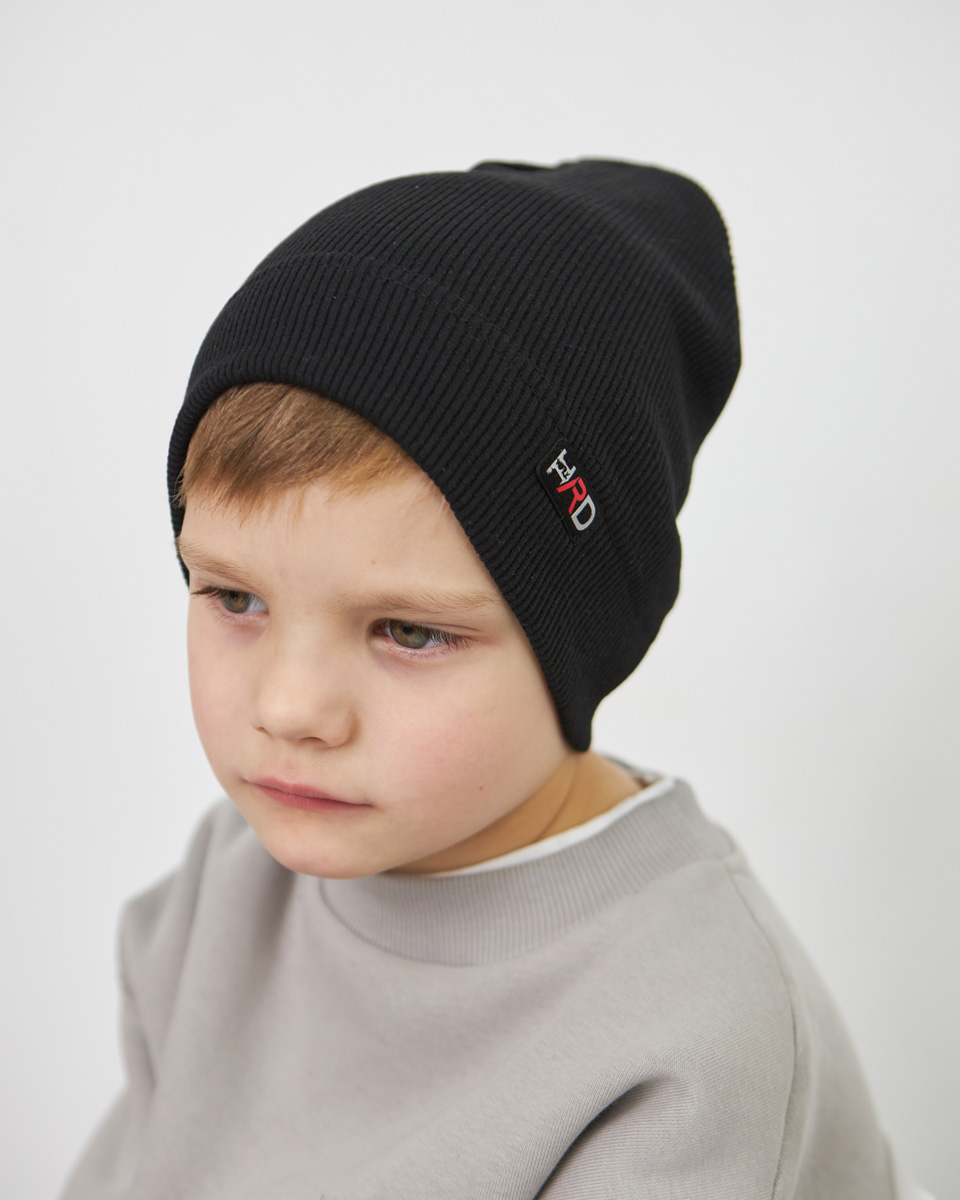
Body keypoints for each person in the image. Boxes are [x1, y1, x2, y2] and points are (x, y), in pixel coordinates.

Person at [59, 160, 928, 1198]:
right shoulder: (231, 888)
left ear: (579, 640)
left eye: (407, 632)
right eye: (235, 598)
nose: (289, 709)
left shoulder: (693, 1046)